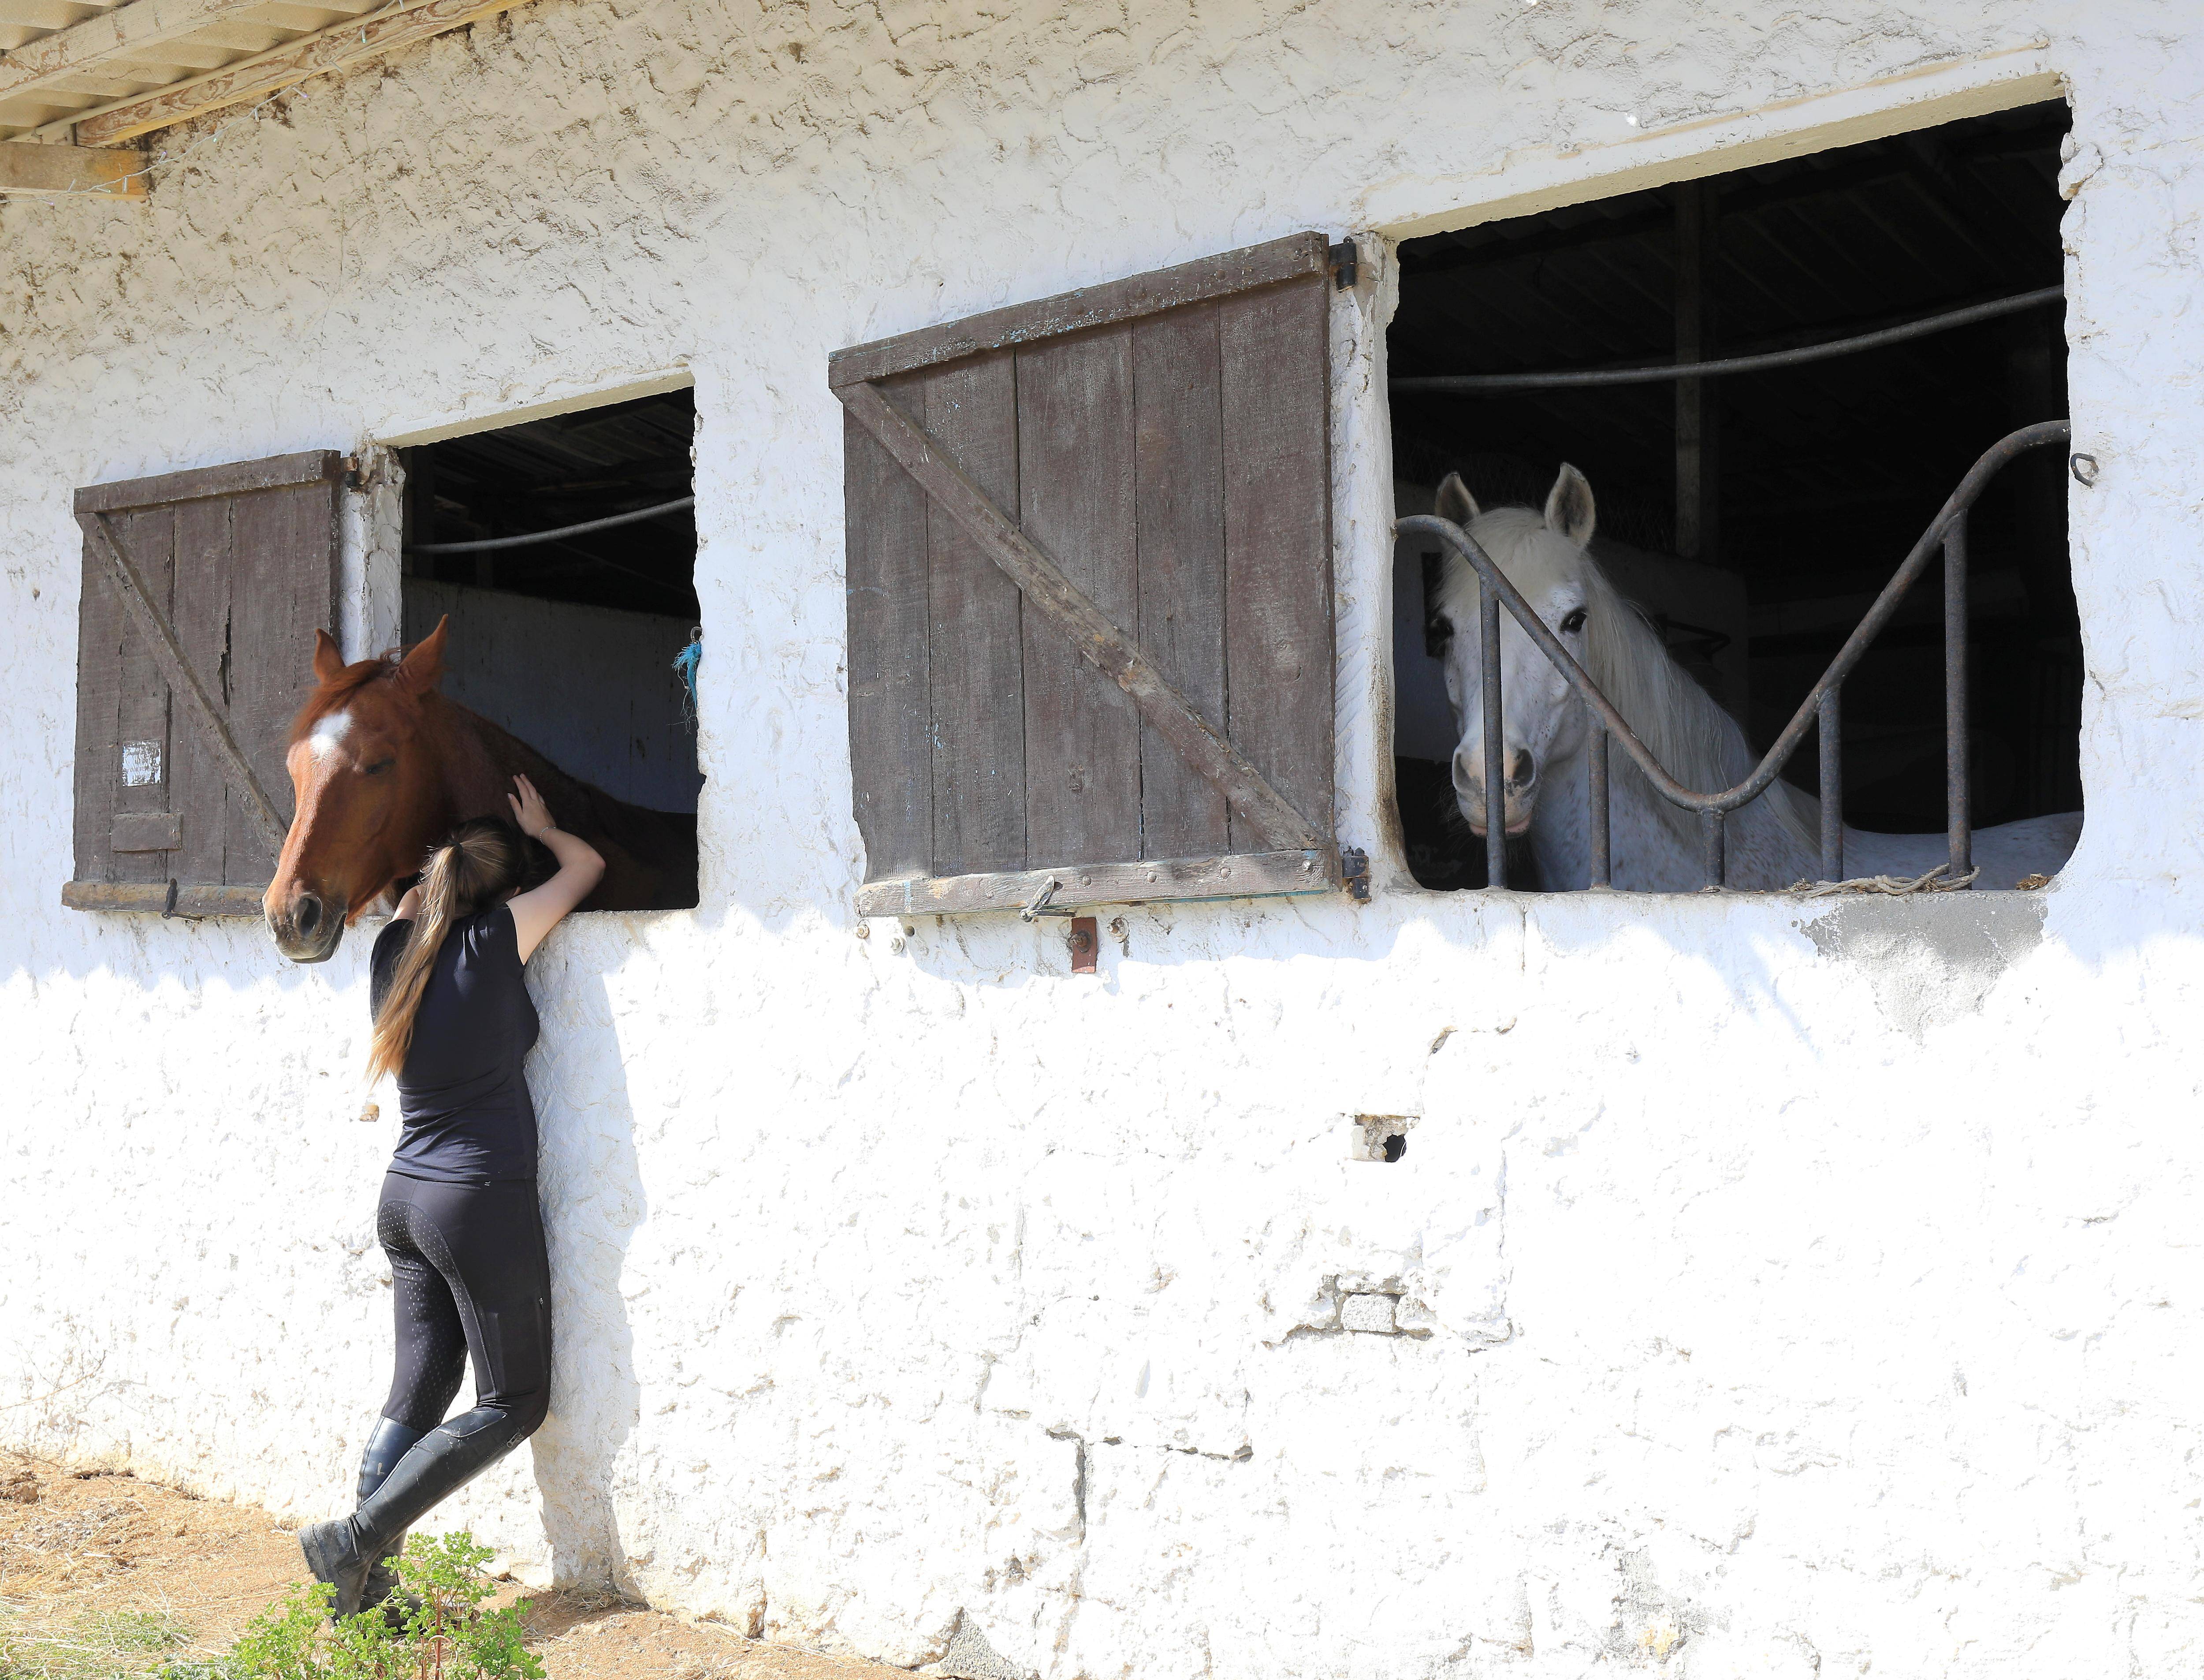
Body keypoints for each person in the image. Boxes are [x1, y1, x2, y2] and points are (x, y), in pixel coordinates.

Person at [298, 774, 604, 1618]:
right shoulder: (503, 934)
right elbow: (586, 867)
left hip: (405, 1197)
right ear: (505, 888)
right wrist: (544, 828)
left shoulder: (395, 945)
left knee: (418, 1391)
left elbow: (408, 896)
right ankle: (355, 1542)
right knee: (514, 1402)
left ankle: (360, 1597)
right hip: (476, 1199)